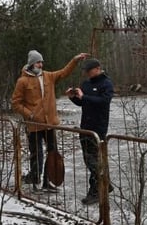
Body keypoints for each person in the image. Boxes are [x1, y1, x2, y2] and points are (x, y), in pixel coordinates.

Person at [12, 49, 89, 191]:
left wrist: (75, 60)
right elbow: (16, 103)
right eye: (37, 62)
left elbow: (64, 72)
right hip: (34, 125)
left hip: (50, 124)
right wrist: (29, 114)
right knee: (36, 153)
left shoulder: (49, 76)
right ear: (31, 64)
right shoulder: (22, 81)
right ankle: (36, 180)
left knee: (52, 152)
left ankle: (49, 181)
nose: (40, 65)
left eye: (41, 62)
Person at [67, 58, 114, 205]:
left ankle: (97, 190)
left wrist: (84, 97)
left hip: (98, 127)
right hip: (85, 125)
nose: (87, 73)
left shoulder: (106, 84)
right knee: (89, 159)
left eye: (89, 70)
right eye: (86, 71)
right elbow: (83, 102)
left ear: (98, 68)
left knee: (95, 159)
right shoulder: (86, 84)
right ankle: (104, 184)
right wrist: (73, 98)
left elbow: (104, 102)